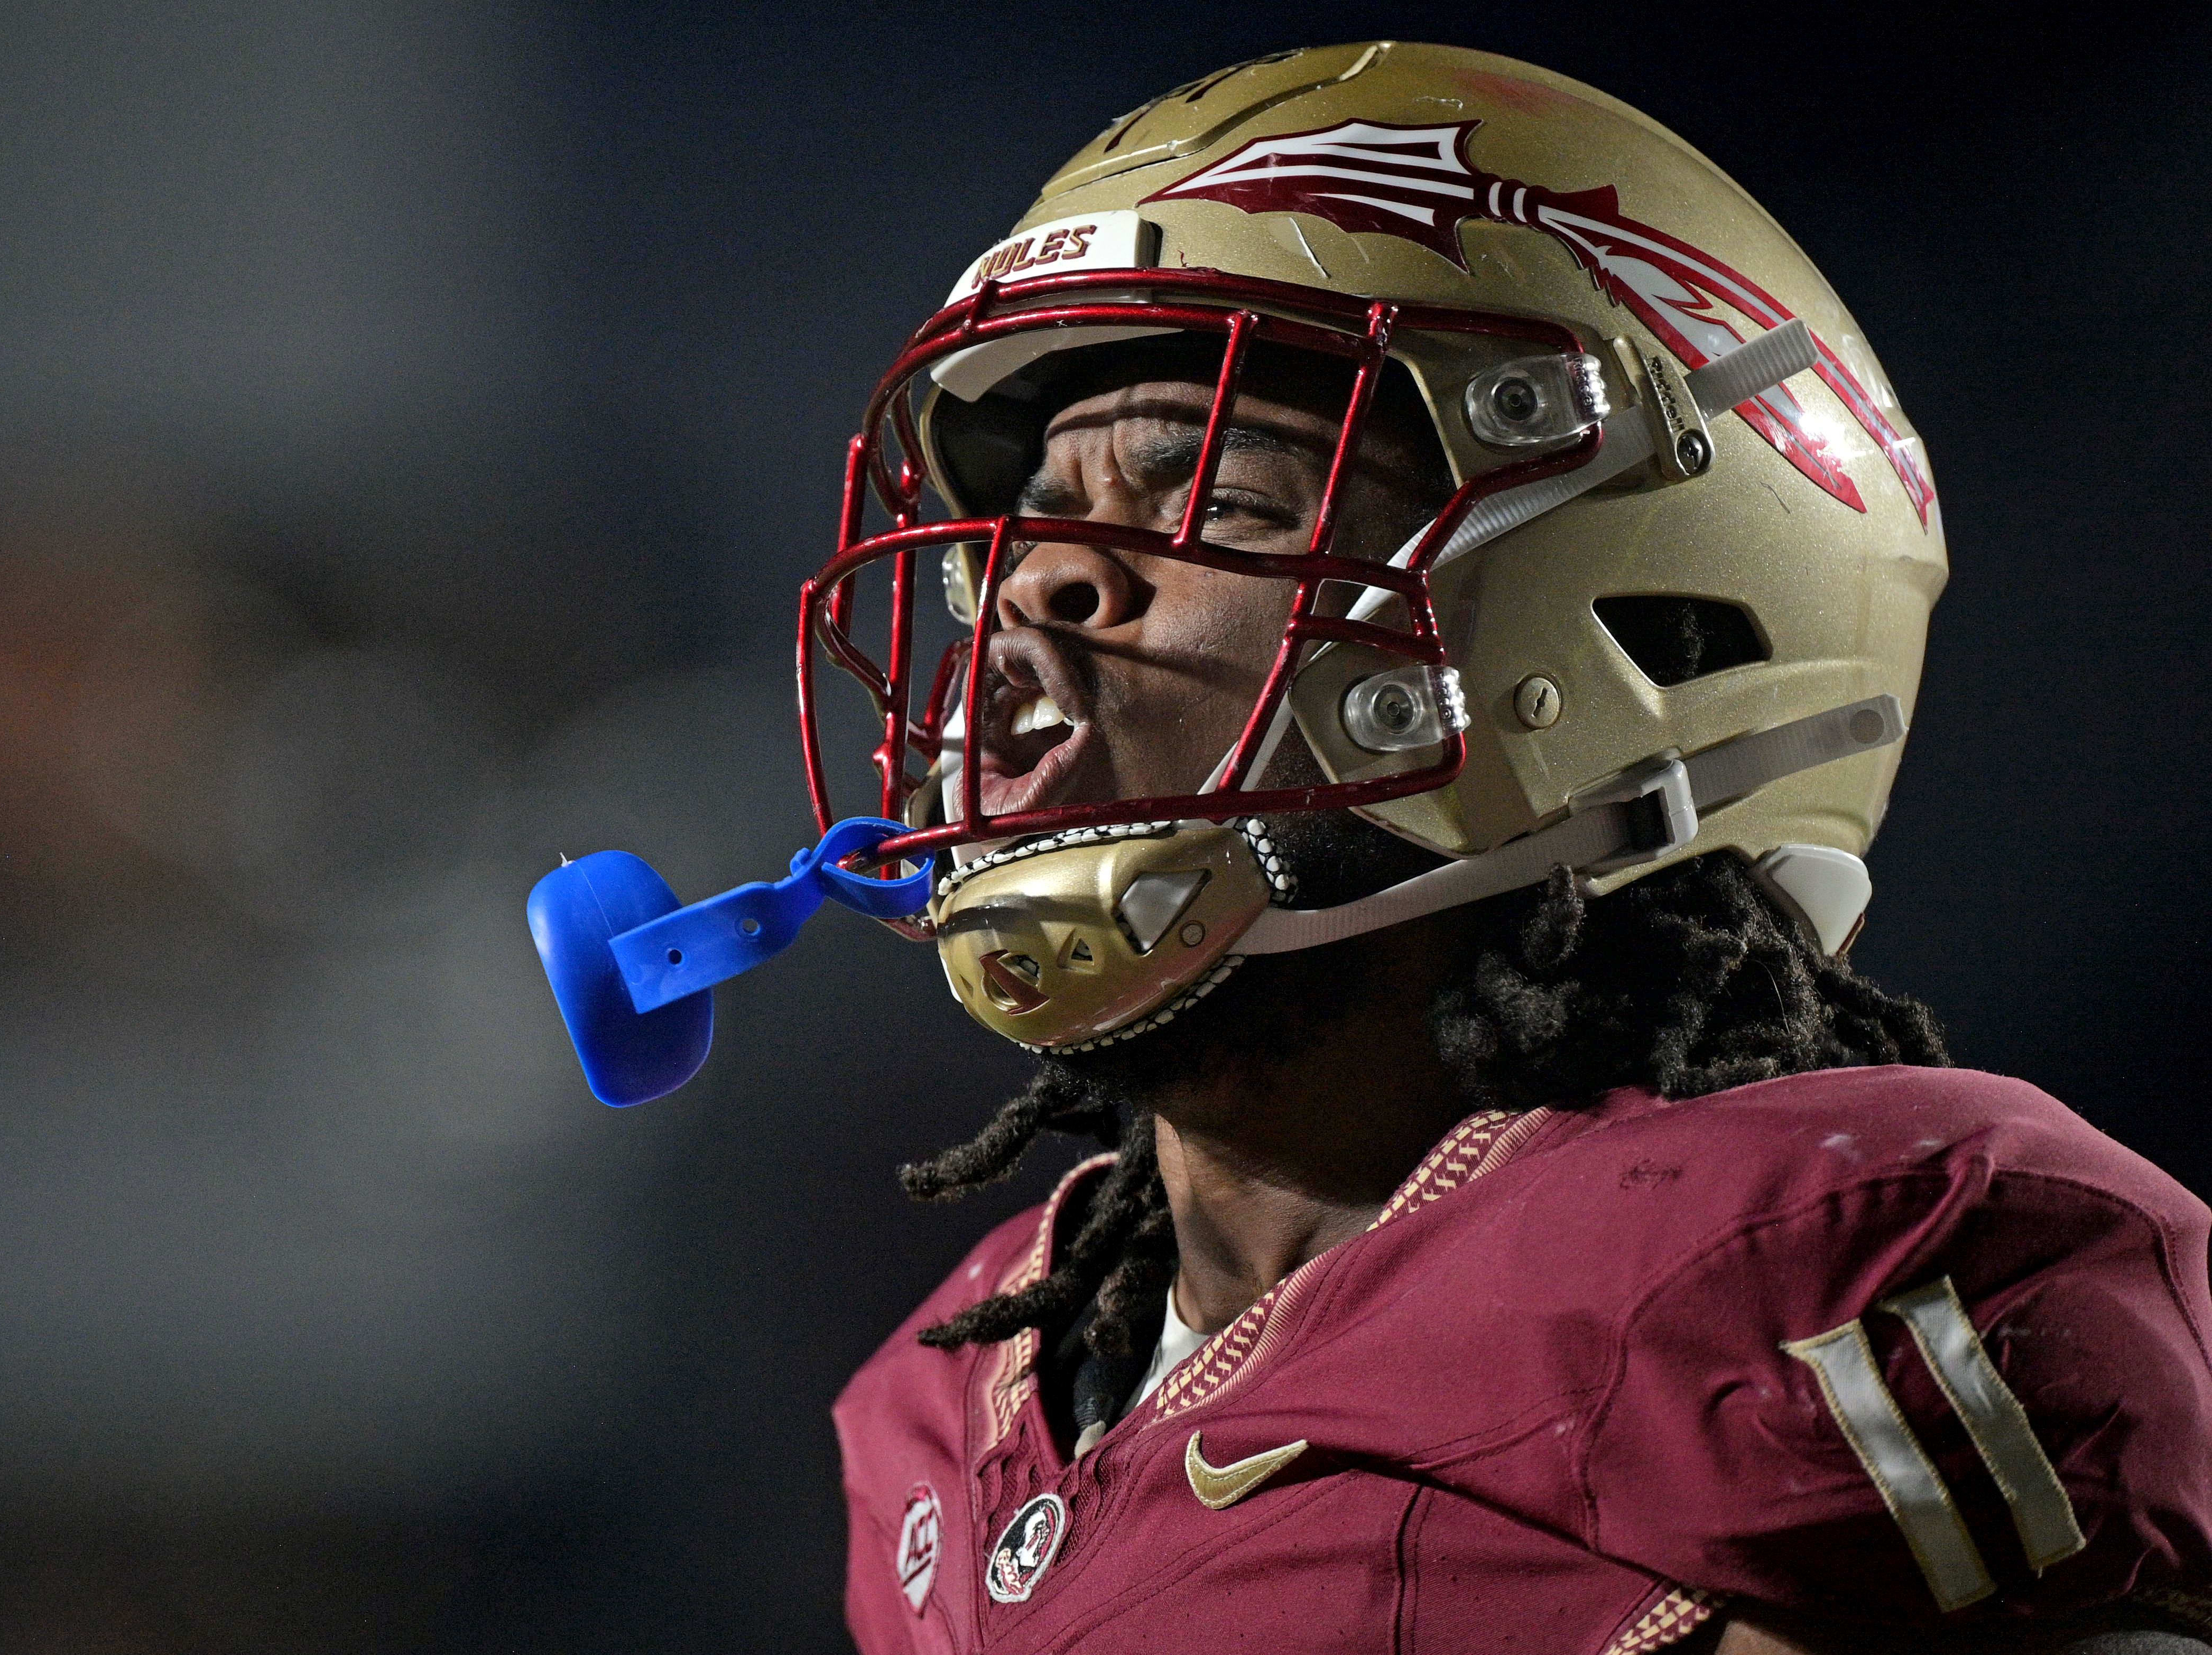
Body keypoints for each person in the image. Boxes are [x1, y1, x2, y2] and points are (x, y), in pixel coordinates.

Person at [807, 42, 2212, 1655]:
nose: (1043, 586)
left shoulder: (1810, 1276)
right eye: (1032, 526)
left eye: (1219, 498)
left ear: (1646, 629)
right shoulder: (941, 1409)